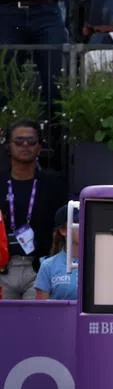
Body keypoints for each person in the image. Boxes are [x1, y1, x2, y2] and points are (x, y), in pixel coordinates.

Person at [0, 121, 67, 299]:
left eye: (31, 142)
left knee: (36, 323)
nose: (25, 146)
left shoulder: (54, 185)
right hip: (3, 266)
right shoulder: (0, 183)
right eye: (19, 141)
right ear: (8, 146)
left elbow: (64, 226)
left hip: (40, 266)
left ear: (39, 147)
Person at [33, 205, 77, 300]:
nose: (83, 225)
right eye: (77, 221)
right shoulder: (48, 266)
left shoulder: (103, 263)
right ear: (63, 230)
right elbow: (41, 312)